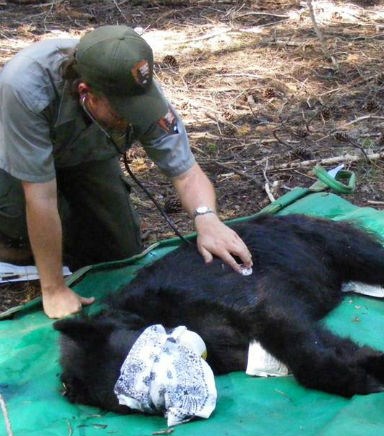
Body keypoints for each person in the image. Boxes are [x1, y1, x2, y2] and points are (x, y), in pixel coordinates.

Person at [0, 25, 253, 319]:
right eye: (123, 111)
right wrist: (53, 288)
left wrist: (207, 219)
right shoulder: (25, 88)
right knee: (22, 222)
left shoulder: (137, 88)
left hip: (82, 155)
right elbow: (39, 197)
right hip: (14, 158)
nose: (134, 117)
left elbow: (186, 171)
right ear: (87, 93)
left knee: (120, 251)